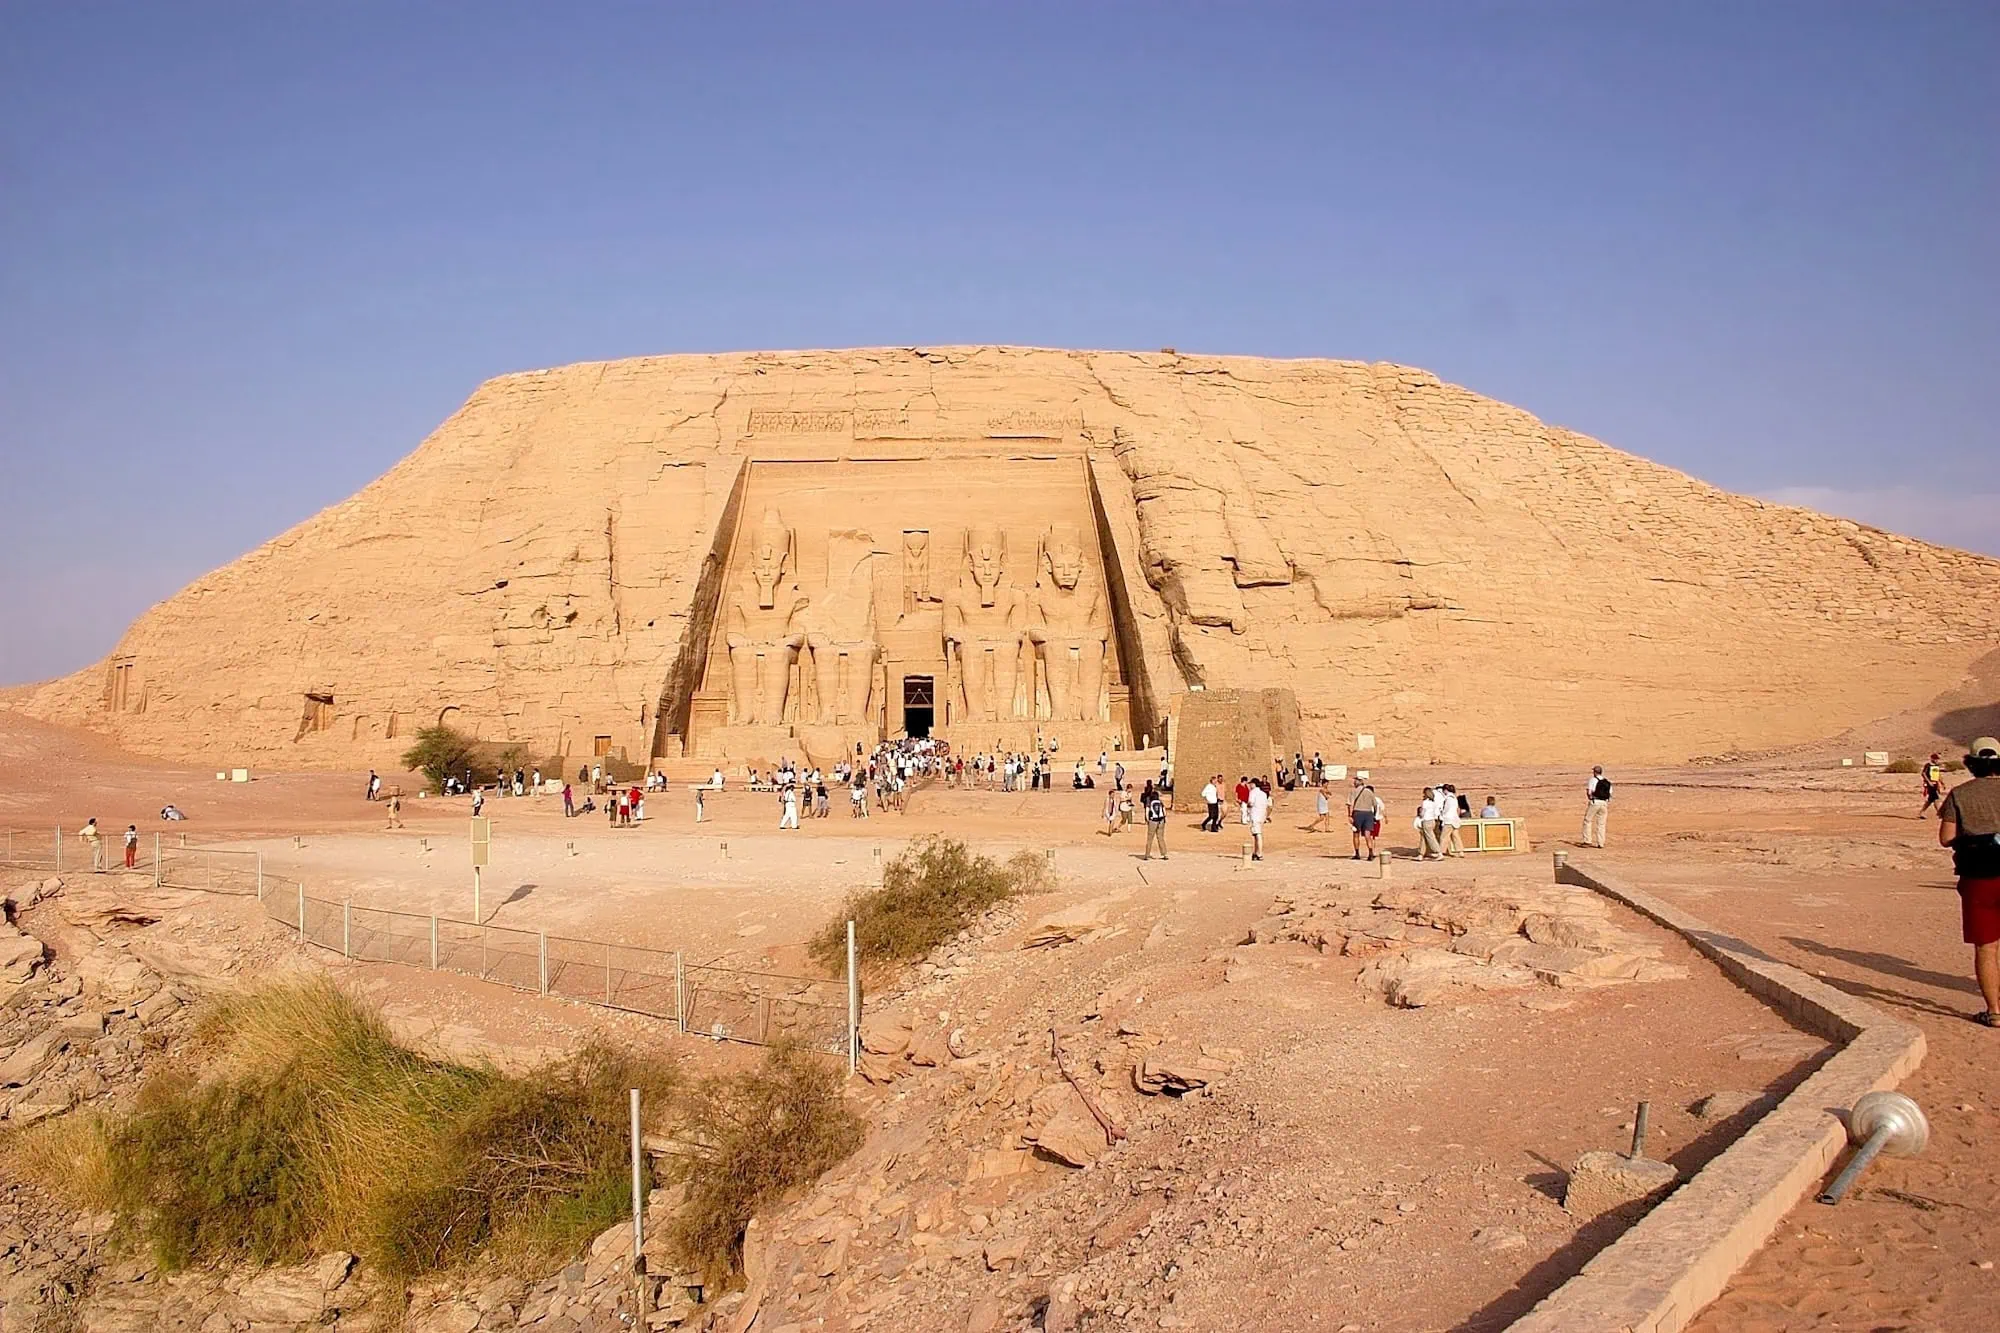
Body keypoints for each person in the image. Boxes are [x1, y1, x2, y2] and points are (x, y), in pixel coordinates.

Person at [1937, 737, 2000, 1027]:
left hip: (1979, 878)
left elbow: (1946, 838)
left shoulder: (1959, 795)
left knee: (1986, 947)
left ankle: (1995, 1012)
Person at [1348, 777, 1383, 860]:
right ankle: (1370, 853)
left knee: (1356, 834)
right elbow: (1375, 805)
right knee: (1368, 835)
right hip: (1368, 814)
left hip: (1358, 813)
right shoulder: (1369, 792)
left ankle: (1357, 853)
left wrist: (1350, 815)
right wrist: (1373, 815)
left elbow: (1350, 804)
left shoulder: (1353, 791)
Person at [1582, 766, 1612, 847]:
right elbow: (1610, 794)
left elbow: (1589, 792)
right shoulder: (1607, 782)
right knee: (1601, 824)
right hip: (1604, 803)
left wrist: (1590, 798)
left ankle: (1587, 841)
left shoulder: (1593, 780)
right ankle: (1601, 843)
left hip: (1595, 802)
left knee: (1587, 820)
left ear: (1595, 772)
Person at [1142, 780, 1169, 860]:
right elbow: (1164, 812)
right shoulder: (1160, 802)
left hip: (1153, 821)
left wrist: (1147, 820)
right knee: (1160, 837)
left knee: (1150, 838)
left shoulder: (1150, 803)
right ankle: (1164, 854)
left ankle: (1147, 855)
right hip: (1161, 821)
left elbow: (1147, 812)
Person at [1416, 788, 1443, 860]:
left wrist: (1419, 815)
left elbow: (1422, 813)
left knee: (1430, 838)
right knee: (1424, 837)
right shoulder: (1433, 803)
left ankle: (1439, 852)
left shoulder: (1425, 802)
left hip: (1426, 821)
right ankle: (1421, 854)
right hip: (1432, 821)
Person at [1247, 778, 1270, 861]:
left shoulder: (1253, 792)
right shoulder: (1263, 794)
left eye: (1251, 784)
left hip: (1255, 815)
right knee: (1257, 835)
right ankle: (1256, 852)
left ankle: (1259, 853)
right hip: (1261, 816)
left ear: (1254, 784)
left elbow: (1251, 803)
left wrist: (1247, 806)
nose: (1249, 785)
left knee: (1257, 835)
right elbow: (1267, 805)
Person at [1440, 784, 1465, 857]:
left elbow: (1446, 810)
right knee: (1455, 836)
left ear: (1445, 790)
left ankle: (1441, 852)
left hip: (1448, 820)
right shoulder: (1454, 798)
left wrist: (1442, 816)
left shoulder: (1448, 799)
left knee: (1444, 836)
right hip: (1454, 819)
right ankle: (1460, 851)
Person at [1921, 754, 1947, 818]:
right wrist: (1929, 782)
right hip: (1930, 784)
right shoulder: (1928, 765)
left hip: (1935, 784)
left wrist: (1942, 783)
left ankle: (1922, 812)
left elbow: (1938, 775)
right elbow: (1923, 773)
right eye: (1935, 759)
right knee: (1936, 798)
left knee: (1930, 799)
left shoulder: (1936, 766)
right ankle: (1939, 813)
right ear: (1932, 759)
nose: (1937, 760)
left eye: (1937, 759)